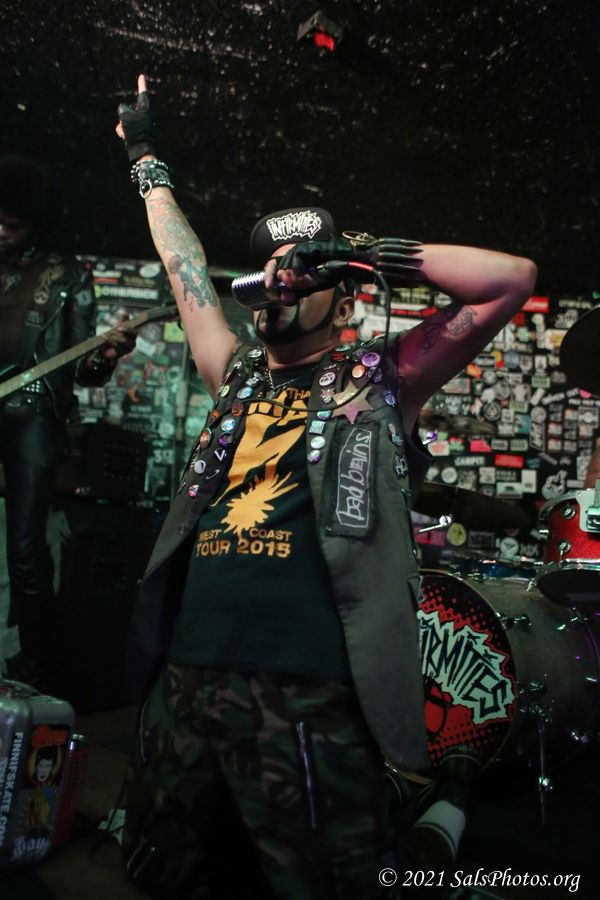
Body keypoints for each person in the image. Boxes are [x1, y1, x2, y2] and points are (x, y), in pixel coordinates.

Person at [116, 76, 537, 899]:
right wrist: (145, 156)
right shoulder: (234, 372)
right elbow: (182, 264)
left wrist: (360, 252)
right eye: (271, 265)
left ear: (342, 305)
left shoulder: (379, 381)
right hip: (189, 673)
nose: (280, 277)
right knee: (169, 872)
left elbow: (509, 279)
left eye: (302, 270)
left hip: (306, 685)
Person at [0, 154, 137, 691]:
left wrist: (108, 354)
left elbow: (84, 370)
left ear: (37, 222)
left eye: (12, 225)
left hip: (32, 411)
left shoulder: (69, 275)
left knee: (25, 549)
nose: (1, 232)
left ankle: (35, 671)